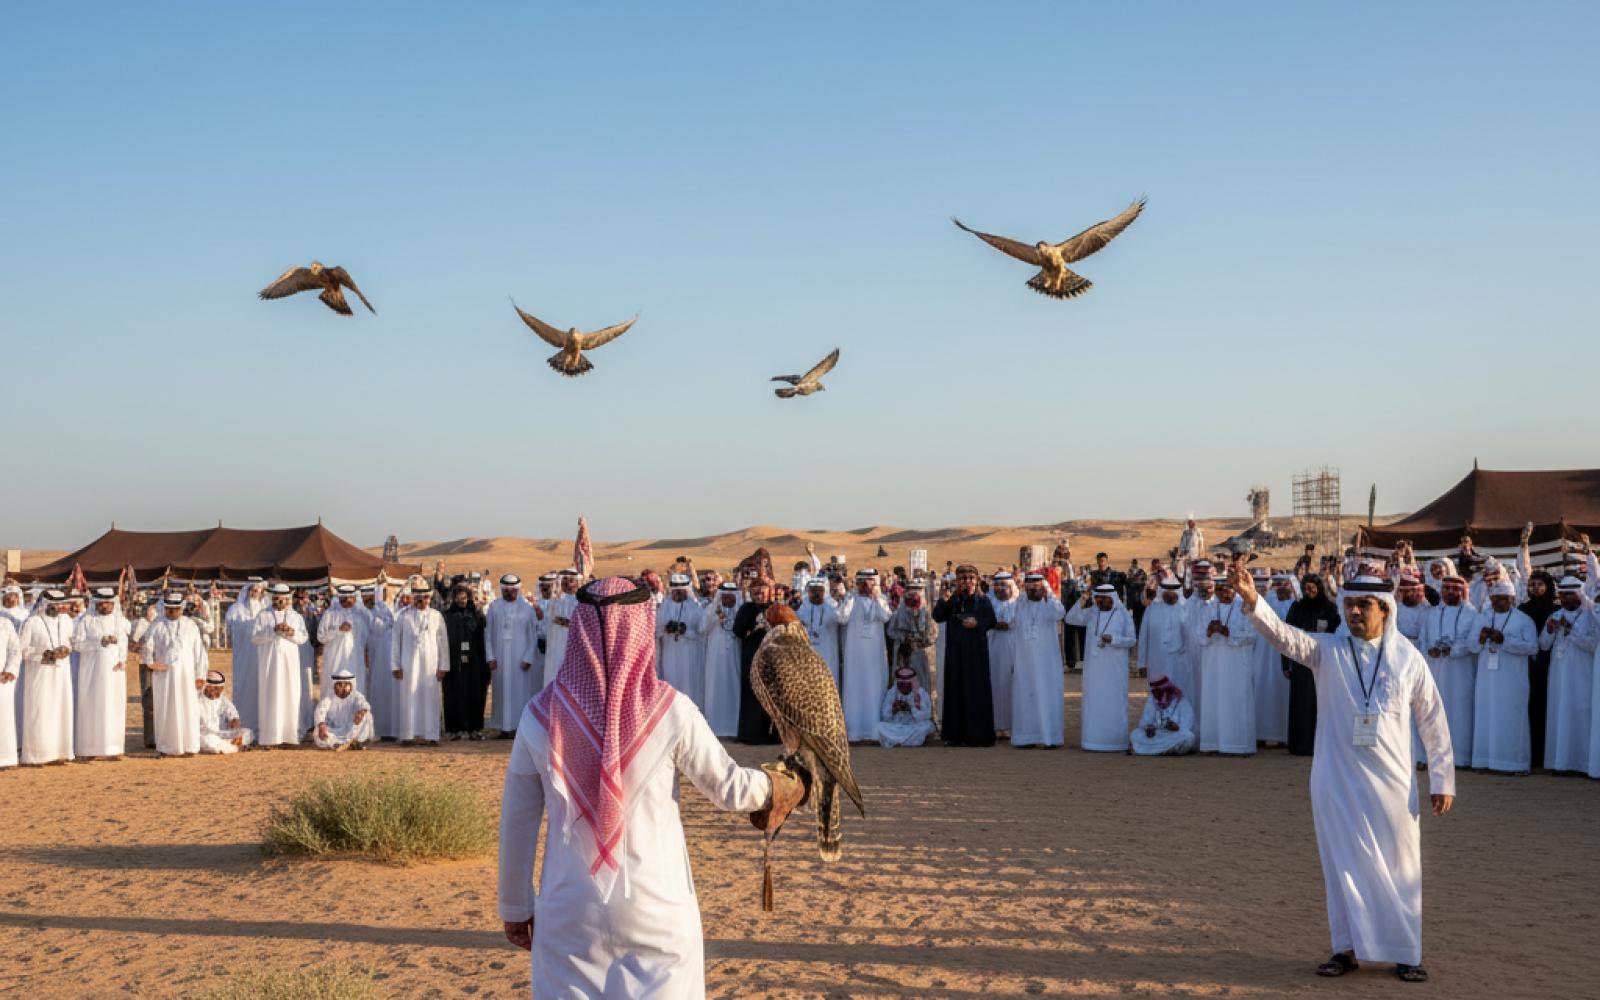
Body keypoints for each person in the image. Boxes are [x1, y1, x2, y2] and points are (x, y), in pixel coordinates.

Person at [497, 576, 798, 998]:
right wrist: (777, 785)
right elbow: (730, 789)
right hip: (657, 905)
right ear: (641, 626)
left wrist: (514, 906)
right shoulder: (670, 710)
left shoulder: (539, 715)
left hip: (569, 906)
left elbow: (517, 821)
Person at [1232, 564, 1454, 983]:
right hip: (1336, 777)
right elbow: (1286, 638)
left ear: (1385, 609)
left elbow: (1433, 720)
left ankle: (1406, 952)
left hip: (1393, 783)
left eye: (1363, 605)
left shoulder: (1408, 658)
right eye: (1349, 604)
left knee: (1401, 865)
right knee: (1343, 866)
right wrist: (1253, 602)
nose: (1354, 612)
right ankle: (1346, 949)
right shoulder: (1328, 650)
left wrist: (1442, 779)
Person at [1467, 580, 1537, 774]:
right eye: (1495, 598)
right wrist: (1480, 639)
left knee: (1511, 716)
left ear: (1512, 599)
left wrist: (1505, 640)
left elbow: (1533, 647)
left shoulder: (1523, 619)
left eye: (1503, 598)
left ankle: (1513, 763)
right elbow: (1471, 647)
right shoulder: (1482, 618)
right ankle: (1485, 761)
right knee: (1486, 715)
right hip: (1486, 680)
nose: (1498, 602)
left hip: (1512, 680)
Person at [1064, 583, 1136, 752]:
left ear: (1112, 598)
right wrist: (1083, 599)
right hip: (1094, 670)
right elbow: (1070, 618)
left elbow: (1132, 640)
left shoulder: (1123, 615)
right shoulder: (1092, 612)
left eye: (1103, 599)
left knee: (1113, 703)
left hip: (1114, 669)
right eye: (1097, 598)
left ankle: (1115, 742)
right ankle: (1092, 740)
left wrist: (1114, 640)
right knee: (1094, 702)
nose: (1099, 602)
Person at [1191, 575, 1258, 755]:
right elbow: (1197, 636)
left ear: (1234, 590)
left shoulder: (1244, 608)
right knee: (1213, 700)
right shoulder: (1208, 609)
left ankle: (1238, 745)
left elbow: (1252, 636)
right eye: (1219, 590)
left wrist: (1229, 632)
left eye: (1227, 589)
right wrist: (1209, 631)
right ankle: (1213, 743)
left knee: (1235, 700)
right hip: (1213, 665)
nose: (1223, 593)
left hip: (1236, 665)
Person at [932, 564, 997, 747]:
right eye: (962, 579)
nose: (966, 582)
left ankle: (977, 736)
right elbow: (938, 617)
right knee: (955, 690)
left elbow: (991, 621)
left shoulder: (983, 601)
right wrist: (942, 600)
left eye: (970, 578)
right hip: (955, 654)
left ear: (976, 581)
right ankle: (954, 735)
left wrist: (977, 624)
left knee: (975, 692)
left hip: (976, 655)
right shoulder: (953, 600)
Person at [1538, 577, 1595, 774]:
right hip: (1558, 675)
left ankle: (1582, 763)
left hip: (1581, 674)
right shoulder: (1554, 615)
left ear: (1579, 594)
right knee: (1558, 713)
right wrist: (1550, 629)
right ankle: (1559, 763)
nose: (1565, 598)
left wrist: (1570, 630)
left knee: (1580, 713)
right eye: (1562, 595)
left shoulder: (1590, 616)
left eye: (1569, 594)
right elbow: (1543, 645)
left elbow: (1593, 646)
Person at [140, 591, 207, 757]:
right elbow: (146, 646)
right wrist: (151, 663)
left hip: (186, 676)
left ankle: (189, 746)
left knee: (187, 708)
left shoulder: (190, 625)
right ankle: (167, 747)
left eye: (176, 608)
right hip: (164, 676)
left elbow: (199, 653)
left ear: (181, 608)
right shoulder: (157, 624)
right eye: (169, 608)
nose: (172, 612)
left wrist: (200, 676)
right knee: (165, 709)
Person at [1283, 575, 1340, 756]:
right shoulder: (1297, 608)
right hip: (1300, 661)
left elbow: (1336, 633)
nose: (1310, 592)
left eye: (1313, 588)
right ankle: (1300, 746)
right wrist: (1286, 663)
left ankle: (1321, 745)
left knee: (1321, 703)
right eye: (1306, 588)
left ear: (1319, 588)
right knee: (1301, 704)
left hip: (1323, 660)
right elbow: (1285, 635)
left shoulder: (1330, 608)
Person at [18, 589, 77, 764]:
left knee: (60, 711)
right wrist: (45, 654)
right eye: (55, 605)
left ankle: (58, 753)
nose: (59, 608)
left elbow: (70, 642)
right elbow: (21, 650)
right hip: (40, 675)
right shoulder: (32, 622)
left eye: (61, 604)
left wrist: (66, 649)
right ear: (45, 604)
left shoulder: (67, 621)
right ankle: (38, 756)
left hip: (62, 674)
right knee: (41, 712)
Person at [71, 587, 129, 760]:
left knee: (114, 707)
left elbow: (123, 643)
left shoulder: (120, 621)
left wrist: (122, 658)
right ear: (96, 603)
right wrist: (98, 643)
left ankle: (113, 749)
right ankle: (90, 750)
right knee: (92, 708)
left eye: (108, 603)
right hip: (92, 674)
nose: (105, 606)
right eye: (102, 603)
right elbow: (77, 645)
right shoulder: (86, 621)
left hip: (114, 673)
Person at [836, 569, 891, 743]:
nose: (866, 586)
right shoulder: (852, 600)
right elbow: (841, 618)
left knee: (874, 688)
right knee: (855, 689)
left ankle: (874, 731)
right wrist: (849, 599)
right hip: (855, 655)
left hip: (874, 656)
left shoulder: (881, 600)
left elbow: (886, 616)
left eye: (870, 582)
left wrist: (876, 598)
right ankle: (854, 731)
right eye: (862, 582)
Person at [1011, 572, 1065, 748]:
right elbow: (1011, 618)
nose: (1034, 589)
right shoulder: (1020, 603)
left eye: (1037, 586)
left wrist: (1048, 594)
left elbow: (1060, 613)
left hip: (1046, 663)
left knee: (1045, 694)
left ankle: (1049, 737)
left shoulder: (1050, 604)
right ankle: (1026, 737)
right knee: (1025, 696)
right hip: (1024, 663)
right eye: (1030, 586)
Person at [392, 582, 450, 745]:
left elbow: (443, 643)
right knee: (408, 697)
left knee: (430, 699)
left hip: (431, 666)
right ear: (412, 598)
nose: (422, 600)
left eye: (425, 597)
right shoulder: (403, 616)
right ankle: (407, 735)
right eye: (418, 597)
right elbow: (396, 642)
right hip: (408, 665)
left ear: (429, 598)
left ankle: (432, 735)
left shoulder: (436, 616)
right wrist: (395, 665)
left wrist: (443, 666)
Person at [252, 583, 307, 748]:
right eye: (276, 598)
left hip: (290, 664)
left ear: (288, 599)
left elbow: (303, 638)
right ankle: (270, 738)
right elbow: (255, 638)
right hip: (269, 664)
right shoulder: (263, 615)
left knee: (290, 695)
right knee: (271, 696)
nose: (279, 602)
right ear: (271, 598)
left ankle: (289, 737)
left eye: (282, 599)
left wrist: (291, 633)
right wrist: (272, 631)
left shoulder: (296, 617)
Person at [486, 574, 539, 736]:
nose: (510, 594)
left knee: (520, 693)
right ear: (502, 590)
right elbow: (487, 633)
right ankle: (503, 728)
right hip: (500, 658)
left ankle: (518, 728)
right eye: (506, 591)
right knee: (501, 692)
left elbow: (533, 635)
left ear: (518, 590)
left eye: (513, 591)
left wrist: (528, 657)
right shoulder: (494, 607)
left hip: (520, 658)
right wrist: (490, 656)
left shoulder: (527, 609)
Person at [731, 578, 779, 744]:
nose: (759, 595)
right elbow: (737, 631)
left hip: (772, 657)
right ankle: (752, 735)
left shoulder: (776, 608)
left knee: (773, 695)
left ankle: (774, 736)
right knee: (753, 695)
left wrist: (770, 627)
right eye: (756, 592)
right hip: (752, 656)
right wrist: (753, 626)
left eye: (762, 592)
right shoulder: (746, 609)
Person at [1519, 569, 1557, 769]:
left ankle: (1546, 756)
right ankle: (1532, 756)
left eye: (1540, 584)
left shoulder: (1555, 609)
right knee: (1529, 706)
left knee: (1548, 706)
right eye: (1532, 584)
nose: (1536, 588)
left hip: (1550, 663)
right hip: (1526, 664)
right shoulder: (1522, 609)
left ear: (1548, 586)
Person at [442, 581, 489, 739]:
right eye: (458, 598)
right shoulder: (447, 616)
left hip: (474, 661)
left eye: (464, 598)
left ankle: (474, 729)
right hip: (455, 661)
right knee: (455, 694)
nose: (461, 601)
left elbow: (483, 638)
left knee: (474, 693)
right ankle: (456, 729)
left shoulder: (476, 615)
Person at [1254, 573, 1297, 745]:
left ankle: (1283, 737)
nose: (1280, 591)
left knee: (1284, 695)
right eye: (1277, 587)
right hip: (1263, 657)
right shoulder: (1267, 604)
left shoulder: (1294, 606)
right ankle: (1261, 735)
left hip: (1285, 658)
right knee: (1263, 692)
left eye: (1284, 586)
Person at [655, 574, 707, 710]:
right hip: (669, 658)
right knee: (671, 688)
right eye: (675, 591)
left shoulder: (696, 609)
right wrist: (666, 629)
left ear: (687, 590)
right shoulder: (664, 607)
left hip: (690, 658)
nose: (677, 594)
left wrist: (686, 631)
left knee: (689, 689)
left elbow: (702, 635)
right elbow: (655, 632)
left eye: (681, 591)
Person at [1137, 577, 1192, 698]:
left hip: (1179, 661)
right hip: (1156, 661)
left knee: (1179, 693)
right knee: (1158, 695)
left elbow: (1191, 638)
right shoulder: (1151, 609)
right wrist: (1142, 663)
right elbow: (1143, 636)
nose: (1171, 597)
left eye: (1174, 594)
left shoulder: (1186, 609)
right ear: (1161, 593)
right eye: (1167, 594)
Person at [225, 578, 266, 734]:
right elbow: (230, 625)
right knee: (243, 685)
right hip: (243, 656)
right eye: (252, 589)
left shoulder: (265, 608)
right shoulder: (236, 609)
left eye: (257, 590)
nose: (254, 592)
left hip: (260, 656)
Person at [701, 582, 742, 737]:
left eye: (731, 597)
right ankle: (715, 727)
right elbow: (702, 629)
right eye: (724, 597)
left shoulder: (740, 611)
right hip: (715, 656)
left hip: (734, 655)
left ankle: (733, 728)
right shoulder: (711, 610)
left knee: (733, 686)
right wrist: (715, 617)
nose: (727, 600)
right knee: (715, 687)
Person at [885, 580, 936, 694]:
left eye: (917, 591)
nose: (914, 595)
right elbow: (891, 631)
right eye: (911, 591)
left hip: (919, 655)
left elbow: (933, 635)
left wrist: (920, 640)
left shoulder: (925, 614)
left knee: (919, 685)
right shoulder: (898, 613)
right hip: (902, 656)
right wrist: (904, 637)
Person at [316, 584, 368, 696]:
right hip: (334, 662)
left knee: (355, 690)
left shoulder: (360, 615)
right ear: (339, 598)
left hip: (355, 661)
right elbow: (321, 636)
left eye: (350, 598)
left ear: (354, 598)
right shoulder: (330, 614)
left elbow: (366, 639)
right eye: (344, 598)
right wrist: (338, 629)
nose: (347, 600)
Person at [985, 572, 1019, 737]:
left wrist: (1011, 625)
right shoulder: (988, 603)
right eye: (997, 585)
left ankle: (1012, 726)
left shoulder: (1019, 604)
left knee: (1011, 684)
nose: (1000, 589)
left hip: (1013, 648)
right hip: (992, 647)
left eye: (1003, 585)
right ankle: (994, 725)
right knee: (993, 684)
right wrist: (993, 625)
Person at [1130, 674, 1196, 755]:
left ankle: (1154, 751)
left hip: (1173, 735)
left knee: (1189, 737)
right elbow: (1144, 721)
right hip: (1157, 735)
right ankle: (1166, 750)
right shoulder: (1152, 701)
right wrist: (1148, 728)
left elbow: (1188, 722)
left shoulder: (1181, 701)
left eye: (1158, 691)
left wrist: (1176, 726)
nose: (1155, 694)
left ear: (1166, 689)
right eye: (1154, 692)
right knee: (1135, 734)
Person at [365, 585, 399, 740]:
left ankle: (394, 729)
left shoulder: (396, 610)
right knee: (378, 690)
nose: (387, 593)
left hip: (393, 659)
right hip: (378, 658)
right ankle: (379, 728)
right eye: (383, 590)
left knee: (393, 692)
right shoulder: (371, 613)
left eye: (388, 590)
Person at [797, 577, 844, 687]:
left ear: (825, 591)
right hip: (809, 653)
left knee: (828, 683)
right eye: (813, 591)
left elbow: (841, 618)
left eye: (819, 590)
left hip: (828, 653)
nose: (816, 594)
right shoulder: (804, 607)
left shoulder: (833, 607)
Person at [313, 668, 374, 750]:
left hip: (351, 728)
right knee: (317, 731)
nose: (343, 688)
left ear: (351, 686)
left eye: (346, 685)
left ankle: (357, 741)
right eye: (339, 685)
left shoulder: (356, 696)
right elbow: (320, 711)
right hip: (334, 730)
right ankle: (337, 744)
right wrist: (321, 726)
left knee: (367, 716)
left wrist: (361, 712)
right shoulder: (329, 697)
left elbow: (364, 705)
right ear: (334, 685)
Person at [876, 665, 935, 747]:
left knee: (927, 726)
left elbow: (926, 715)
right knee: (879, 727)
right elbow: (884, 716)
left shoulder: (921, 693)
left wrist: (911, 709)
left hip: (914, 725)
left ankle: (895, 741)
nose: (904, 688)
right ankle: (907, 741)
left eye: (907, 685)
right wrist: (893, 709)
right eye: (901, 685)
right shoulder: (892, 693)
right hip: (897, 725)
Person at [541, 570, 580, 690]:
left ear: (577, 582)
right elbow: (548, 623)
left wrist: (562, 621)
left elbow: (577, 624)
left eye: (571, 581)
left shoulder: (581, 602)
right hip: (555, 647)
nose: (567, 584)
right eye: (564, 580)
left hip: (573, 648)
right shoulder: (556, 601)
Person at [198, 669, 253, 753]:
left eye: (221, 689)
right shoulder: (197, 700)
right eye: (216, 689)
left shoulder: (222, 699)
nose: (219, 693)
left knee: (248, 732)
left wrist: (234, 721)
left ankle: (228, 745)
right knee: (208, 741)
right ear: (208, 686)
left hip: (221, 734)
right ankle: (234, 747)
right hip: (204, 735)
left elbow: (233, 713)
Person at [0, 612, 19, 768]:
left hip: (3, 679)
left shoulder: (5, 623)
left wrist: (10, 669)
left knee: (4, 720)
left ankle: (5, 759)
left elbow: (15, 650)